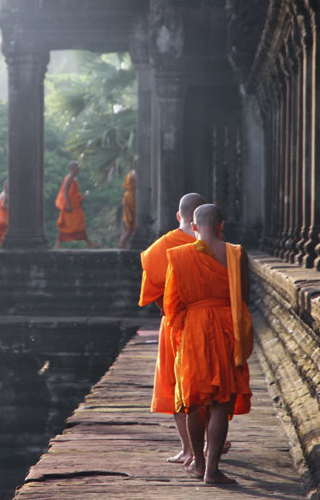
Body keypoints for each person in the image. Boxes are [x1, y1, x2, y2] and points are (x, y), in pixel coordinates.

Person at [164, 203, 253, 484]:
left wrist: (183, 331)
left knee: (194, 400)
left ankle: (196, 462)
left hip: (195, 329)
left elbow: (171, 304)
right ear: (221, 225)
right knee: (221, 400)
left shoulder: (178, 256)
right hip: (228, 326)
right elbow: (245, 295)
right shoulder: (236, 254)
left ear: (193, 226)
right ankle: (212, 470)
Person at [139, 193, 206, 465]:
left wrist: (169, 311)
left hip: (176, 321)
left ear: (179, 216)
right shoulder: (214, 245)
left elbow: (151, 291)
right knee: (208, 383)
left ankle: (189, 449)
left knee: (179, 385)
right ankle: (211, 442)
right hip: (208, 322)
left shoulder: (161, 247)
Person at [54, 161, 96, 249]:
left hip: (74, 205)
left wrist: (83, 197)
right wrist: (68, 204)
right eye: (77, 167)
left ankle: (89, 243)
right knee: (66, 224)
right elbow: (65, 190)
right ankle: (89, 243)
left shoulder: (73, 179)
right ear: (73, 168)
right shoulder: (69, 177)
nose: (79, 169)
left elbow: (73, 193)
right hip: (70, 206)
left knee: (78, 224)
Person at [117, 169, 137, 249]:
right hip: (131, 197)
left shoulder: (131, 173)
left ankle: (122, 242)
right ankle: (122, 242)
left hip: (128, 196)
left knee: (131, 224)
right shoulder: (134, 174)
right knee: (132, 223)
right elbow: (136, 186)